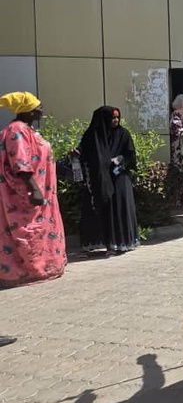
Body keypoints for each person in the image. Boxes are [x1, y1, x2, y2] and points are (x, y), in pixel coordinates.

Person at [0, 92, 66, 288]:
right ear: (27, 111)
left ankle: (43, 267)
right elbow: (21, 164)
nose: (41, 110)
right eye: (38, 107)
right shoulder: (16, 131)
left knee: (38, 230)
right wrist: (35, 190)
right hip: (24, 196)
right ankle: (26, 271)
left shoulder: (27, 129)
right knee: (27, 231)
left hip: (40, 192)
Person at [75, 106, 139, 254]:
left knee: (118, 209)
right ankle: (100, 243)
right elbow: (84, 153)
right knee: (98, 210)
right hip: (99, 180)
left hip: (118, 178)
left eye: (117, 117)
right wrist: (76, 154)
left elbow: (129, 154)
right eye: (112, 118)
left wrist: (118, 160)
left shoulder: (123, 134)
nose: (116, 120)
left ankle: (119, 243)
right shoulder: (92, 136)